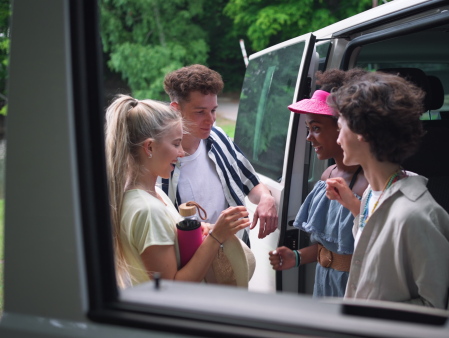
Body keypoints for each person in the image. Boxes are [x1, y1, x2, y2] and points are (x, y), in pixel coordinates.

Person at [325, 72, 449, 308]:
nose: (338, 138)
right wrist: (355, 208)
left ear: (361, 132)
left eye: (340, 125)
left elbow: (436, 306)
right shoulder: (371, 196)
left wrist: (369, 318)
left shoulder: (417, 216)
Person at [105, 95, 252, 288]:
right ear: (149, 147)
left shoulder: (153, 195)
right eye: (175, 144)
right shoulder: (149, 211)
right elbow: (171, 288)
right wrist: (217, 237)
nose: (181, 152)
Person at [268, 69, 368, 297]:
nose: (309, 137)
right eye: (308, 129)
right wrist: (297, 257)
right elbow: (332, 246)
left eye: (317, 128)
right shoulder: (327, 177)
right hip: (324, 283)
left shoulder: (369, 185)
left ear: (344, 127)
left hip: (354, 288)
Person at [161, 65, 278, 244]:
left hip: (236, 256)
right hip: (193, 265)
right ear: (176, 109)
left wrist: (266, 197)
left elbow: (251, 184)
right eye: (200, 112)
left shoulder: (219, 137)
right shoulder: (160, 161)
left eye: (213, 110)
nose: (211, 119)